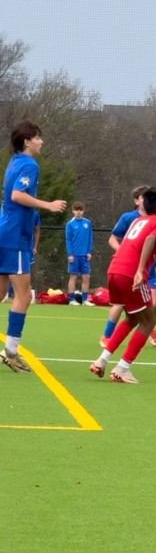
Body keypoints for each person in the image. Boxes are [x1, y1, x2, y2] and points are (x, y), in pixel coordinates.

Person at [0, 120, 67, 373]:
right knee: (24, 295)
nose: (41, 141)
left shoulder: (15, 161)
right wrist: (47, 205)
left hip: (7, 231)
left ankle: (11, 350)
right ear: (27, 141)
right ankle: (11, 351)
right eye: (38, 137)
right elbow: (17, 195)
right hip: (14, 236)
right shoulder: (29, 163)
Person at [89, 188, 156, 384]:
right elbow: (151, 240)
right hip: (131, 274)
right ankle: (122, 368)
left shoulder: (138, 220)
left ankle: (101, 361)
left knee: (133, 317)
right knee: (149, 320)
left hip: (115, 271)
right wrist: (140, 269)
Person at [100, 185, 156, 348]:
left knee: (152, 302)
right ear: (136, 200)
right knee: (120, 305)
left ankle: (150, 329)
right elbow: (112, 239)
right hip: (129, 268)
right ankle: (107, 335)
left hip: (149, 268)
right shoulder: (129, 218)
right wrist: (123, 252)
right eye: (143, 197)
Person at [65, 202, 94, 305]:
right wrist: (70, 254)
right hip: (74, 255)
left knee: (86, 277)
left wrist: (89, 252)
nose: (78, 212)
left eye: (80, 210)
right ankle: (72, 299)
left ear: (83, 211)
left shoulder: (88, 223)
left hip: (85, 255)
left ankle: (85, 299)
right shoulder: (70, 224)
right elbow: (68, 240)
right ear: (73, 211)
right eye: (76, 210)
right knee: (73, 276)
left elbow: (90, 238)